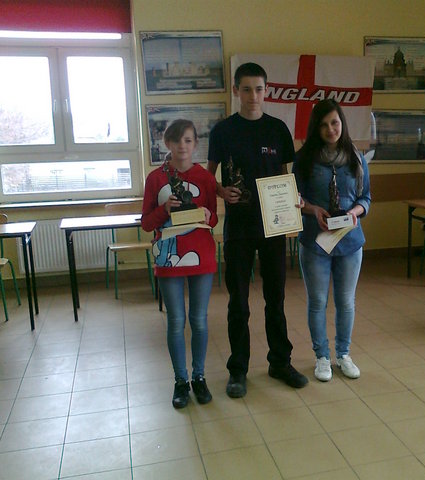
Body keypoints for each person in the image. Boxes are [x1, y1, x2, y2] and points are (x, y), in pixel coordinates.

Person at [208, 62, 308, 398]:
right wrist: (221, 191)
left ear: (267, 91)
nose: (254, 95)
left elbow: (285, 176)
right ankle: (238, 370)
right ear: (237, 90)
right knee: (238, 301)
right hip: (238, 227)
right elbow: (208, 175)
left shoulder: (277, 129)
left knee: (275, 298)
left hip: (274, 226)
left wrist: (293, 198)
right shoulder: (223, 131)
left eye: (259, 89)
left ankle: (280, 362)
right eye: (247, 89)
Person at [142, 119, 218, 409]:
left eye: (188, 140)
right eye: (176, 141)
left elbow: (213, 218)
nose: (182, 146)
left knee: (199, 319)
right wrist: (164, 209)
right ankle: (180, 380)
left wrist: (206, 214)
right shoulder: (155, 178)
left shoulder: (205, 178)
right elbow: (147, 224)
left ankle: (199, 377)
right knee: (176, 321)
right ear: (167, 144)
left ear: (196, 144)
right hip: (169, 257)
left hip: (201, 256)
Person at [293, 99, 371, 382]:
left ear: (342, 123)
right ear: (316, 128)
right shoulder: (304, 159)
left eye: (335, 123)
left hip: (349, 242)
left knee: (346, 302)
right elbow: (295, 198)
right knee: (317, 302)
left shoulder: (356, 158)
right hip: (316, 242)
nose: (330, 129)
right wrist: (313, 209)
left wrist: (354, 212)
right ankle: (322, 357)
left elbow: (366, 197)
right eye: (324, 125)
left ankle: (343, 354)